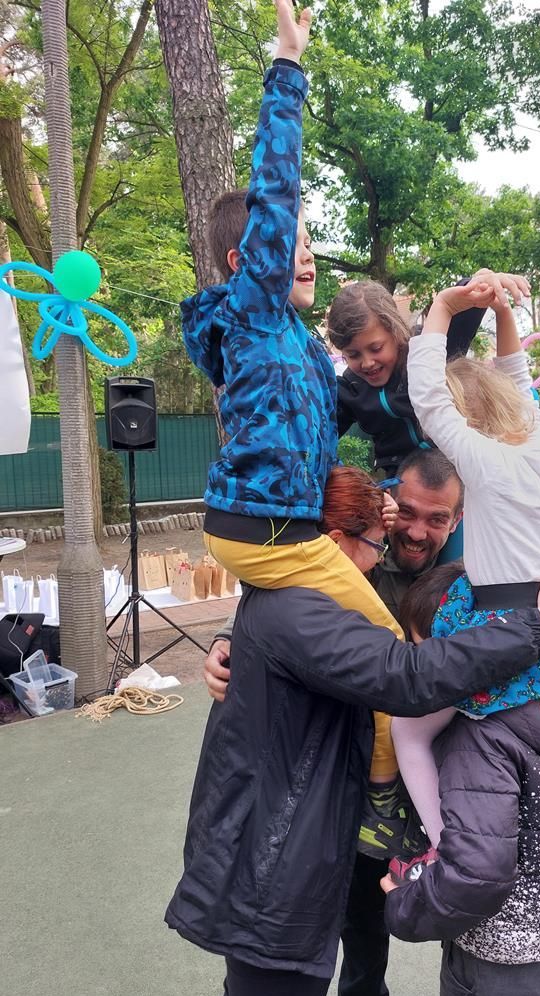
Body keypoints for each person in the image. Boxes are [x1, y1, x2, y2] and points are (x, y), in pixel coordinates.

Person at [203, 449, 540, 996]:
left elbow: (535, 645)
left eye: (437, 519)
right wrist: (226, 638)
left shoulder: (474, 576)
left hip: (414, 814)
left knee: (373, 946)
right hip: (334, 795)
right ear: (389, 510)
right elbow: (298, 595)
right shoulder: (359, 565)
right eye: (407, 513)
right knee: (295, 949)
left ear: (458, 519)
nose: (417, 531)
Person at [181, 0, 403, 647]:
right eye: (292, 245)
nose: (306, 256)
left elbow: (319, 444)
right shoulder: (252, 316)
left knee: (315, 639)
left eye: (309, 245)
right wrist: (287, 66)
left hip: (280, 526)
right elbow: (275, 194)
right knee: (386, 642)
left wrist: (383, 494)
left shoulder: (296, 346)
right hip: (264, 529)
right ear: (250, 262)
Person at [389, 270, 540, 874]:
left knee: (409, 732)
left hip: (503, 627)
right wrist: (501, 311)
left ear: (461, 416)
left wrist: (444, 308)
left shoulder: (479, 458)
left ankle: (442, 839)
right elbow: (518, 377)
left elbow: (426, 395)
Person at [383, 563, 540, 996]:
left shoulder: (476, 737)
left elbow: (477, 874)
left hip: (498, 949)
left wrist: (405, 902)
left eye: (426, 653)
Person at [329, 280, 486, 480]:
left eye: (376, 349)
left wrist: (477, 283)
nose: (367, 363)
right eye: (353, 355)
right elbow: (316, 429)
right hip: (400, 480)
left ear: (395, 331)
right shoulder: (351, 390)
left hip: (454, 469)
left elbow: (460, 313)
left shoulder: (424, 355)